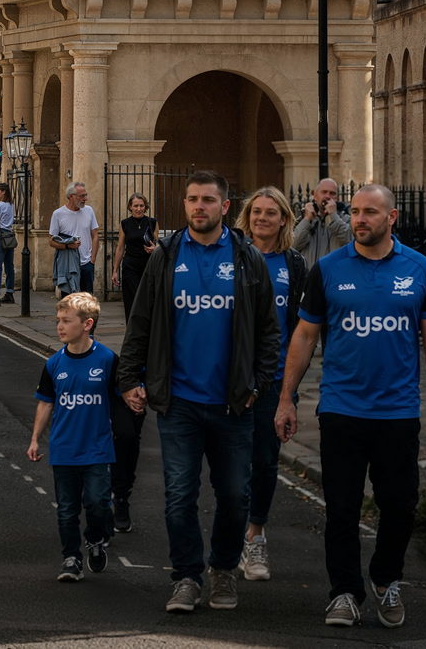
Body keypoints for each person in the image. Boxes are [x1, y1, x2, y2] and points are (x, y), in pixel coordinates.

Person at [275, 183, 426, 631]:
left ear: (392, 217)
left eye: (370, 212)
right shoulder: (329, 270)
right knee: (342, 508)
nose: (359, 220)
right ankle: (345, 593)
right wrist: (286, 398)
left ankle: (385, 577)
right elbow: (305, 335)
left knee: (400, 506)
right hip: (341, 408)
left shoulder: (420, 269)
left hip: (396, 411)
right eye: (354, 212)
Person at [116, 169, 280, 615]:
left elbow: (269, 332)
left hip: (232, 403)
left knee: (234, 496)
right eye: (192, 199)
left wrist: (258, 385)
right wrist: (131, 378)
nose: (198, 207)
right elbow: (142, 323)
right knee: (179, 495)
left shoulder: (247, 258)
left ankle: (223, 569)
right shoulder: (166, 256)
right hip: (180, 402)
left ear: (225, 207)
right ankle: (186, 576)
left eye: (208, 199)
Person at [236, 186, 304, 581]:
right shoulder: (232, 258)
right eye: (256, 211)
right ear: (247, 218)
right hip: (230, 380)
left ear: (283, 219)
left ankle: (255, 536)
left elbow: (300, 331)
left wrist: (289, 394)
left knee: (264, 462)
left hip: (275, 380)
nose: (262, 217)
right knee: (229, 465)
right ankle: (231, 538)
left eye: (271, 212)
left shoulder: (293, 266)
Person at [28, 291, 120, 583]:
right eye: (58, 321)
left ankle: (96, 538)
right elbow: (45, 402)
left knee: (97, 503)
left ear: (87, 324)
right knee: (67, 510)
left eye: (66, 321)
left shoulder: (107, 360)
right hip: (64, 448)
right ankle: (72, 558)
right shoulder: (54, 364)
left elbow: (121, 400)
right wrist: (35, 439)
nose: (59, 326)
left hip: (97, 448)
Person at [49, 181, 98, 298]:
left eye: (85, 195)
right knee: (70, 299)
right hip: (68, 265)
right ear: (71, 196)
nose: (85, 199)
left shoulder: (89, 211)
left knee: (87, 299)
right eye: (82, 196)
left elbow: (95, 235)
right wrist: (67, 246)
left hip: (86, 263)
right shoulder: (58, 214)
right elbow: (51, 241)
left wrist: (92, 260)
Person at [114, 193, 159, 308]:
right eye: (135, 206)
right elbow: (120, 247)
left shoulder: (152, 222)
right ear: (130, 207)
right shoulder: (125, 224)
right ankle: (131, 325)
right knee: (131, 300)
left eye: (141, 206)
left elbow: (157, 244)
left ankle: (146, 326)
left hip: (148, 265)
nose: (139, 209)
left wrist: (154, 249)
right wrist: (115, 270)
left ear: (145, 207)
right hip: (130, 266)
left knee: (147, 300)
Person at [295, 178, 349, 265]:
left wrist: (334, 217)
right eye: (324, 192)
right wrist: (307, 220)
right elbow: (293, 246)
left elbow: (351, 240)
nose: (328, 196)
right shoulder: (303, 220)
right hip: (310, 276)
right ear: (315, 196)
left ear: (337, 198)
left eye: (332, 193)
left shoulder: (346, 219)